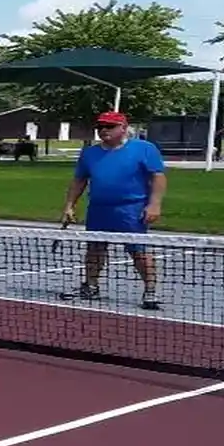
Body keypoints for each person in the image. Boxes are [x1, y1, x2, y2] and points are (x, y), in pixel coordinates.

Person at [59, 111, 166, 310]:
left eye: (109, 126)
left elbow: (158, 177)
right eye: (100, 127)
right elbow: (79, 180)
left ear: (123, 128)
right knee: (95, 249)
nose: (103, 130)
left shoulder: (144, 149)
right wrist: (69, 206)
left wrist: (154, 204)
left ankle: (151, 290)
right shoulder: (90, 153)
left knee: (138, 251)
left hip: (131, 209)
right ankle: (90, 286)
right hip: (99, 209)